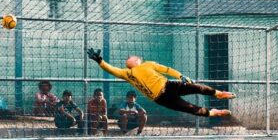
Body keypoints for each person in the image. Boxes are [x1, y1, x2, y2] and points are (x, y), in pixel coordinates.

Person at [87, 48, 236, 118]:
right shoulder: (127, 74)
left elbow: (166, 69)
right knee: (190, 108)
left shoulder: (148, 64)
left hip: (168, 86)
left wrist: (180, 75)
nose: (128, 57)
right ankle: (212, 113)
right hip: (160, 99)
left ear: (137, 60)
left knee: (197, 87)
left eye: (130, 56)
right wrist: (99, 60)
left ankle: (218, 94)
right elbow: (112, 69)